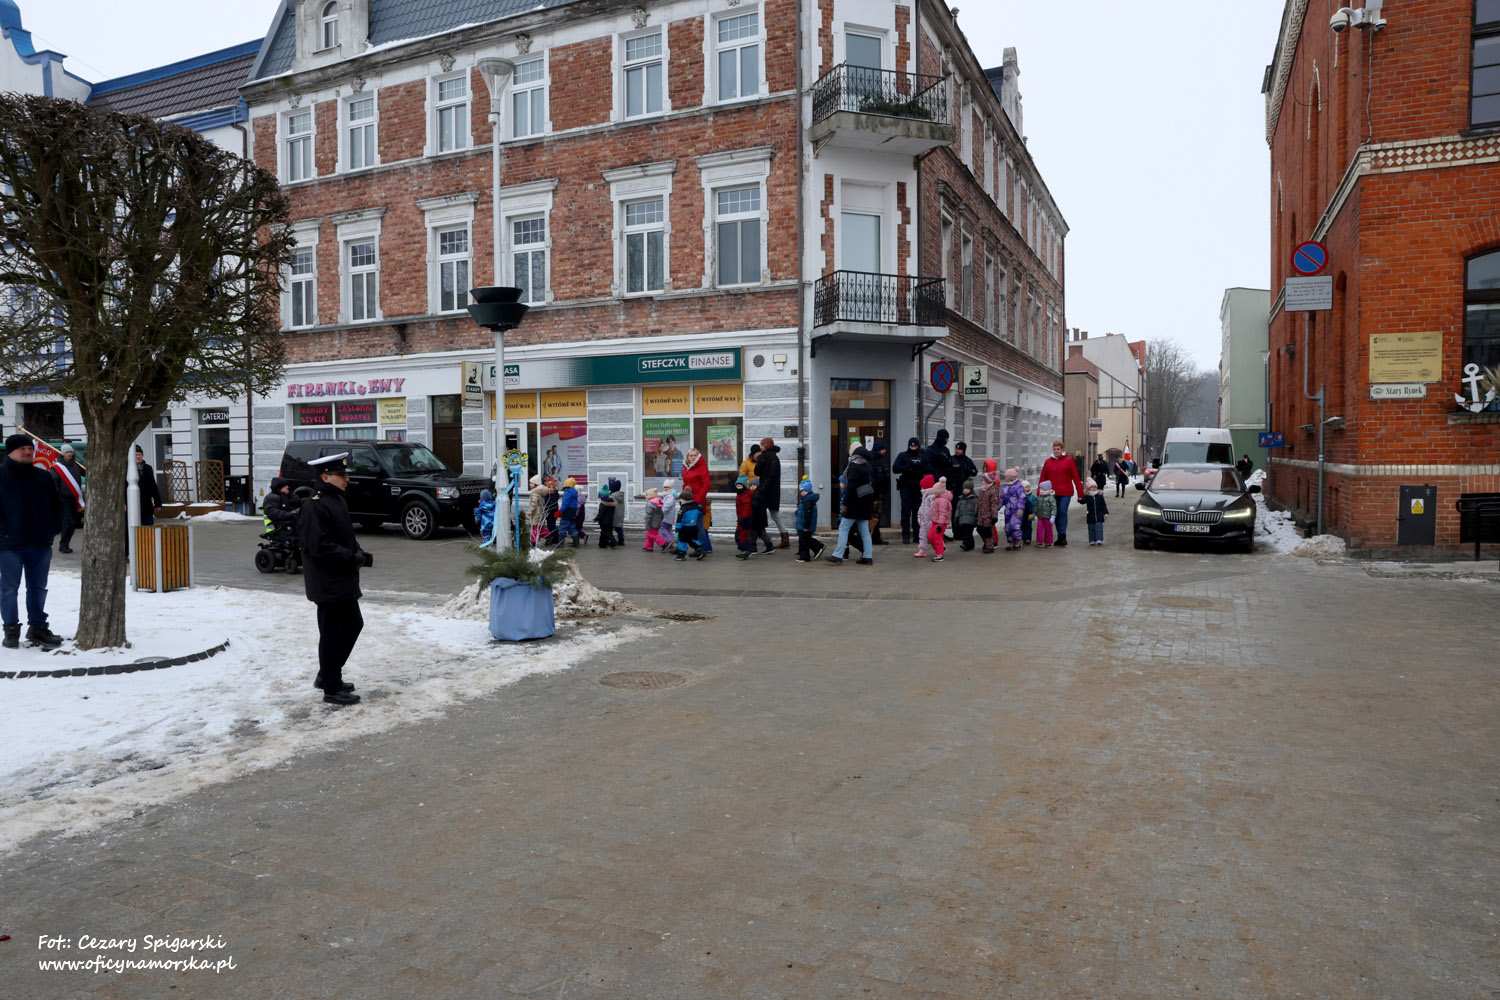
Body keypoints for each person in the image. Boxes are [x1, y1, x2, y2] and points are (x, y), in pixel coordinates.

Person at [296, 453, 371, 706]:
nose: (346, 479)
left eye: (346, 474)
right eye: (341, 475)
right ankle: (331, 687)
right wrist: (350, 557)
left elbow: (345, 535)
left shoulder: (336, 500)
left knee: (353, 625)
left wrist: (358, 552)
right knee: (331, 633)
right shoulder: (314, 505)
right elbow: (319, 546)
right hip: (327, 581)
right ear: (325, 477)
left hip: (343, 578)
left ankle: (328, 674)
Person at [0, 435, 64, 649]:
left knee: (38, 588)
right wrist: (4, 532)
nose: (27, 452)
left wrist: (53, 528)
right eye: (22, 449)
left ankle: (37, 627)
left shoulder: (43, 476)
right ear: (10, 451)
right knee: (9, 588)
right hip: (9, 546)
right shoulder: (1, 476)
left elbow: (56, 505)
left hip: (40, 543)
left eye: (30, 448)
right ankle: (11, 629)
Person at [828, 443, 875, 565]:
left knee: (843, 528)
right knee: (864, 531)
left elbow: (851, 487)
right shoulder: (867, 464)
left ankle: (838, 555)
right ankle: (868, 556)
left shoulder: (854, 465)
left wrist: (845, 504)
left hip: (854, 504)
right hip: (866, 502)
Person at [1039, 440, 1087, 546]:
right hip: (1052, 492)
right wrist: (1040, 492)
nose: (1056, 451)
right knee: (1055, 513)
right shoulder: (1048, 462)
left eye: (1058, 449)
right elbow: (1043, 477)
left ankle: (1063, 535)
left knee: (1062, 511)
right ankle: (1060, 536)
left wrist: (1080, 495)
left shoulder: (1069, 461)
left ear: (1062, 449)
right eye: (1054, 449)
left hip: (1066, 492)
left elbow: (1076, 477)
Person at [753, 437, 788, 549]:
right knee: (761, 514)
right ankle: (761, 538)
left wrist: (763, 488)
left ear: (766, 446)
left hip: (771, 492)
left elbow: (771, 476)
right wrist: (758, 461)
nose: (760, 447)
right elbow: (757, 472)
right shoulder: (764, 458)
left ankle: (785, 538)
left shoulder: (774, 459)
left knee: (775, 515)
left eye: (762, 445)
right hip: (764, 491)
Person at [892, 437, 926, 544]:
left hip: (917, 487)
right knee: (906, 512)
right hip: (906, 487)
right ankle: (906, 536)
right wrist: (907, 467)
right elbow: (895, 468)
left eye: (915, 446)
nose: (913, 447)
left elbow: (927, 468)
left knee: (917, 512)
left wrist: (920, 467)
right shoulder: (903, 455)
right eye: (911, 446)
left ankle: (917, 536)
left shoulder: (922, 456)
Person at [53, 445, 85, 554]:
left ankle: (66, 543)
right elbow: (54, 484)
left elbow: (85, 472)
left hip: (75, 499)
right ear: (63, 454)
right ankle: (63, 545)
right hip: (63, 499)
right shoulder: (57, 468)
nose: (70, 454)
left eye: (71, 452)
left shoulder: (76, 465)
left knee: (73, 523)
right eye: (67, 452)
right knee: (67, 522)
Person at [682, 447, 713, 554]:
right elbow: (685, 484)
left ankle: (702, 548)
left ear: (698, 456)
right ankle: (694, 547)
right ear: (687, 457)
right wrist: (683, 497)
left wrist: (698, 499)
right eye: (691, 455)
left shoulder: (702, 467)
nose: (693, 457)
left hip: (698, 501)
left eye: (695, 455)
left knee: (699, 526)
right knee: (689, 525)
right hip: (688, 501)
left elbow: (706, 485)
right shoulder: (686, 467)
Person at [262, 477, 302, 544]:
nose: (287, 487)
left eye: (287, 485)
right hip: (285, 524)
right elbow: (272, 512)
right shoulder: (271, 498)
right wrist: (290, 514)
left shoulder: (293, 496)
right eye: (284, 486)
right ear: (278, 488)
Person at [794, 477, 825, 562]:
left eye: (805, 491)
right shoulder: (805, 500)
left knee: (804, 540)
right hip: (803, 524)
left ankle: (805, 556)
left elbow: (808, 514)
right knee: (806, 539)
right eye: (802, 491)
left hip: (805, 525)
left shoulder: (808, 501)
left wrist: (805, 526)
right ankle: (818, 547)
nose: (803, 493)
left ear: (809, 491)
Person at [976, 460, 1001, 553]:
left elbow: (994, 502)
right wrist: (976, 511)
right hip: (982, 513)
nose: (984, 468)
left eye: (986, 467)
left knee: (988, 530)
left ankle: (991, 543)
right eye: (984, 467)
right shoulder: (983, 488)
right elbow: (979, 501)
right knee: (981, 529)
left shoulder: (993, 482)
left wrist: (994, 515)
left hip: (988, 513)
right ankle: (988, 543)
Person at [869, 439, 891, 546]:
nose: (884, 451)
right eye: (883, 449)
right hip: (874, 493)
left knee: (876, 517)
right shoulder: (872, 460)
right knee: (873, 517)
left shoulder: (881, 460)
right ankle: (872, 538)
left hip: (879, 493)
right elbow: (874, 478)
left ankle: (875, 538)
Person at [134, 445, 162, 526]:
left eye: (140, 455)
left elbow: (153, 486)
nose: (138, 456)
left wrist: (158, 503)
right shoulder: (127, 468)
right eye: (136, 455)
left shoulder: (148, 468)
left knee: (148, 527)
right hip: (132, 505)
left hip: (146, 504)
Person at [675, 487, 705, 560]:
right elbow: (701, 512)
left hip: (685, 528)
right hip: (694, 526)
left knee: (682, 540)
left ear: (684, 499)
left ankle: (681, 554)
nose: (680, 500)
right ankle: (699, 549)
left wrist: (677, 530)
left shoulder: (683, 509)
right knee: (693, 540)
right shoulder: (696, 506)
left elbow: (679, 520)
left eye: (680, 499)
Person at [926, 477, 953, 562]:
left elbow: (942, 513)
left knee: (937, 538)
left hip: (940, 523)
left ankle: (939, 555)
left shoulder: (942, 501)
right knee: (930, 537)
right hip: (935, 521)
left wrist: (940, 524)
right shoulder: (937, 498)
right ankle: (940, 549)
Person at [748, 473, 775, 553]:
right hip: (759, 519)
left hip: (756, 518)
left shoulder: (757, 494)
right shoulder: (755, 494)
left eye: (754, 485)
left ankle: (753, 548)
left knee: (753, 534)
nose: (752, 487)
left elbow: (755, 505)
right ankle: (769, 546)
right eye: (751, 485)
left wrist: (749, 503)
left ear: (757, 486)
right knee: (762, 533)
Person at [1000, 468, 1026, 550]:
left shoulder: (1019, 486)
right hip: (1008, 510)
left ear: (1011, 478)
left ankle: (1018, 540)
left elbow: (1022, 498)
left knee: (1015, 526)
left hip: (1016, 511)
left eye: (1006, 477)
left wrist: (1021, 508)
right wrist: (997, 506)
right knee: (1007, 528)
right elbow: (1002, 498)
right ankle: (1011, 541)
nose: (1005, 478)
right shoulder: (1005, 487)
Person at [913, 474, 938, 559]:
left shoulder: (932, 497)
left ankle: (940, 548)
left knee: (934, 537)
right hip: (924, 521)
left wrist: (933, 520)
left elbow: (933, 509)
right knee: (922, 535)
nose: (921, 488)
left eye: (922, 487)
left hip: (931, 521)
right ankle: (922, 550)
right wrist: (919, 517)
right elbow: (921, 508)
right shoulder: (924, 497)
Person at [734, 475, 756, 560]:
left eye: (740, 486)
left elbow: (747, 508)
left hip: (745, 519)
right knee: (742, 536)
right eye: (737, 486)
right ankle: (745, 550)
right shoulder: (740, 495)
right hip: (742, 519)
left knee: (740, 536)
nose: (738, 488)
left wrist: (744, 518)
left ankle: (746, 551)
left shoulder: (745, 496)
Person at [559, 477, 585, 546]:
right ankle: (576, 542)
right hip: (573, 511)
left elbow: (565, 504)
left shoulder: (567, 493)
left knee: (563, 526)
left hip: (567, 512)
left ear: (567, 485)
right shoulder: (574, 492)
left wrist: (560, 512)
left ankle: (560, 543)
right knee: (572, 527)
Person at [954, 479, 979, 551]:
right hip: (962, 519)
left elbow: (977, 509)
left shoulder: (974, 499)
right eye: (964, 489)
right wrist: (956, 517)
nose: (965, 490)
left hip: (970, 519)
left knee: (967, 533)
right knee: (967, 533)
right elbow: (958, 509)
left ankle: (966, 544)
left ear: (971, 490)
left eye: (967, 489)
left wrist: (976, 518)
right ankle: (971, 545)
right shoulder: (961, 499)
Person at [1034, 480, 1058, 547]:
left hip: (1048, 517)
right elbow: (1036, 506)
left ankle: (1048, 542)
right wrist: (1034, 513)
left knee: (1048, 530)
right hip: (1040, 517)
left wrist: (1053, 516)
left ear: (1046, 489)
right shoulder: (1039, 497)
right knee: (1039, 529)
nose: (1040, 490)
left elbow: (1054, 507)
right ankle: (1039, 541)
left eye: (1041, 488)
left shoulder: (1051, 498)